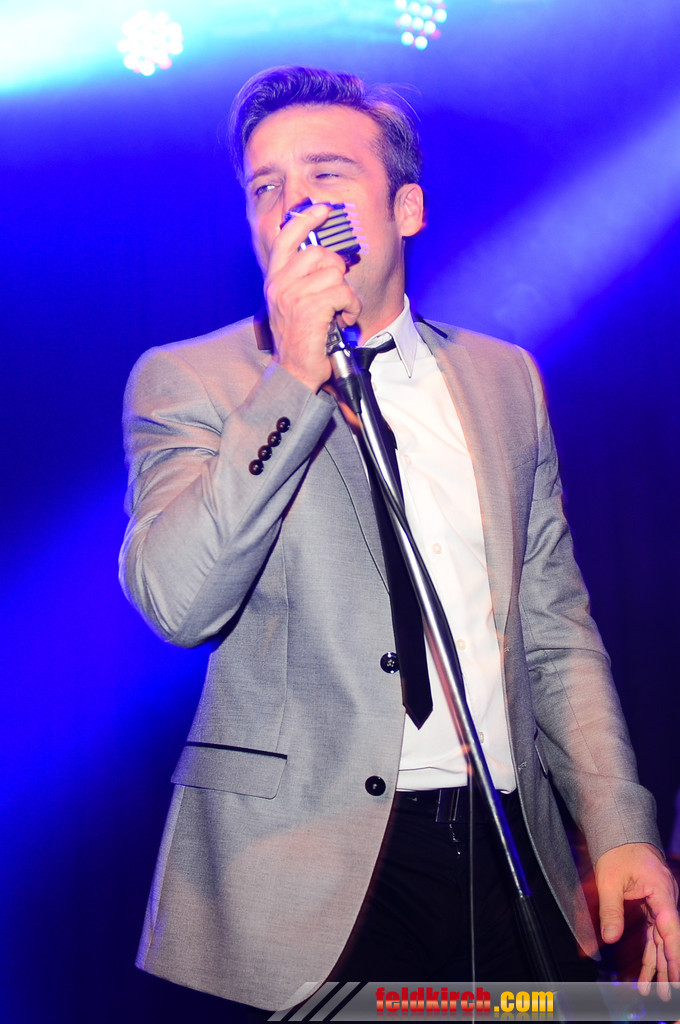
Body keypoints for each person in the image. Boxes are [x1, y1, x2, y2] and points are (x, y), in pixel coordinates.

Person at [119, 65, 680, 1013]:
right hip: (309, 872)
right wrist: (293, 379)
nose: (294, 204)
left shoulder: (505, 380)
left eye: (326, 174)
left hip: (509, 845)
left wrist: (619, 824)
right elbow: (178, 601)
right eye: (266, 186)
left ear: (405, 209)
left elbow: (554, 629)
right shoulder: (192, 380)